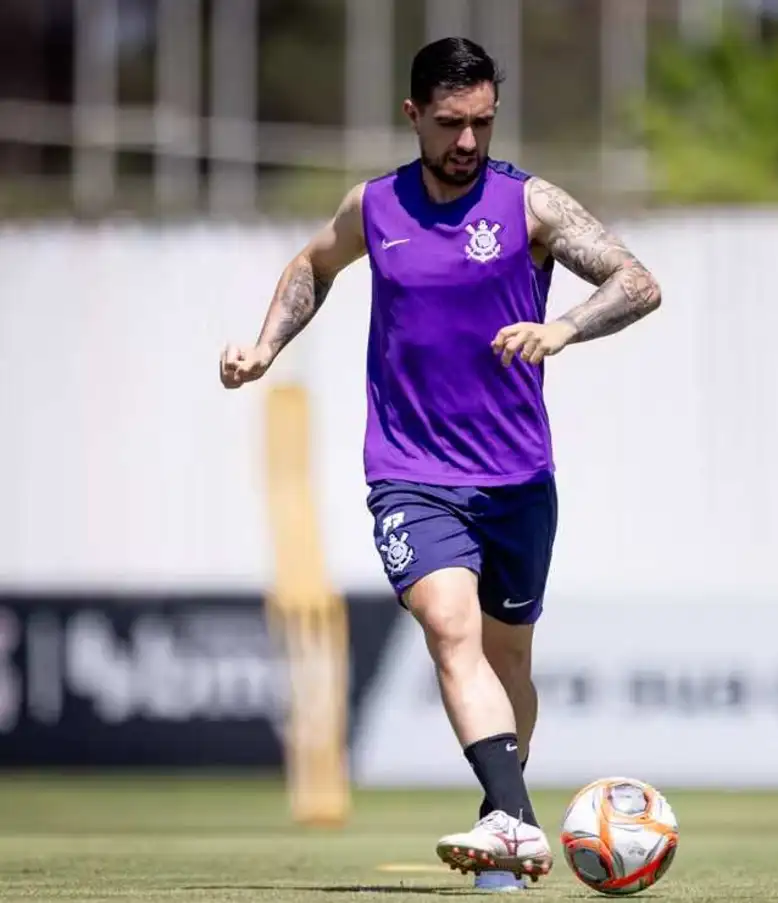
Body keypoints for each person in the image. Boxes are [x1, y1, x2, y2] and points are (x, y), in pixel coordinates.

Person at [218, 37, 662, 890]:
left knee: (509, 663)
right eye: (452, 123)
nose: (468, 141)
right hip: (410, 470)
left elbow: (637, 282)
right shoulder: (374, 207)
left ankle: (510, 825)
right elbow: (312, 266)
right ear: (414, 114)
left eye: (483, 123)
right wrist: (268, 345)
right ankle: (509, 818)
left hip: (519, 477)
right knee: (450, 628)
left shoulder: (529, 204)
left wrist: (565, 326)